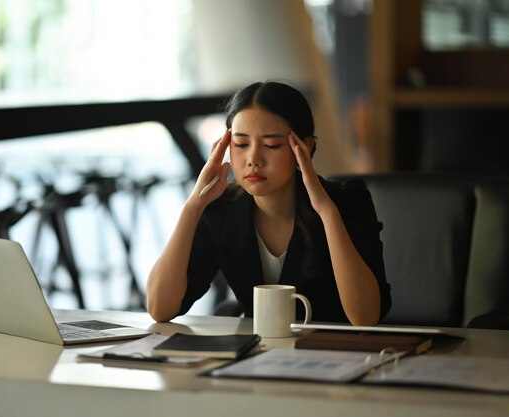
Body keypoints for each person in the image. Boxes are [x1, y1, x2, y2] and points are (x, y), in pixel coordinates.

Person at [146, 81, 391, 325]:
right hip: (256, 358)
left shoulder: (347, 201)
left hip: (335, 355)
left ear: (305, 147)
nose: (253, 159)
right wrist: (192, 207)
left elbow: (365, 317)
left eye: (271, 145)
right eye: (241, 144)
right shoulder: (222, 210)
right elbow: (160, 308)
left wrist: (327, 212)